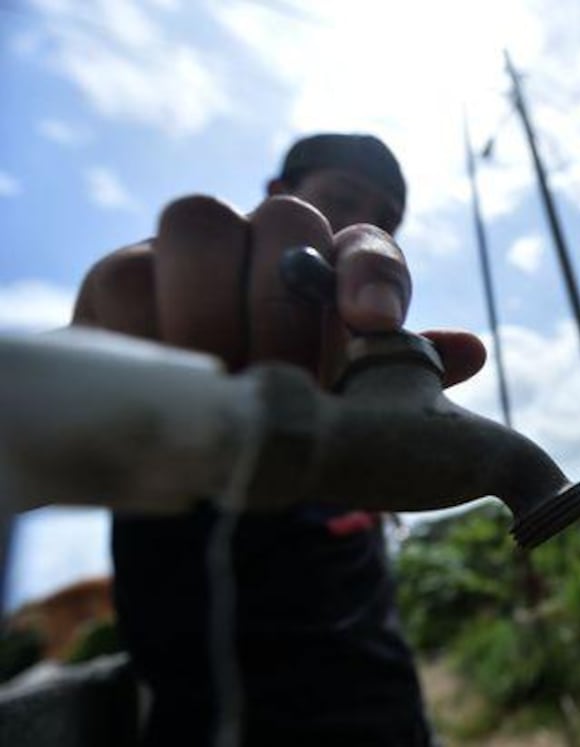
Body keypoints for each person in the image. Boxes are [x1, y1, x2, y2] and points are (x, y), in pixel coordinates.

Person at [72, 133, 485, 746]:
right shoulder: (197, 381)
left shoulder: (356, 398)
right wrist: (100, 363)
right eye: (342, 199)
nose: (363, 228)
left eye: (386, 220)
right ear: (277, 196)